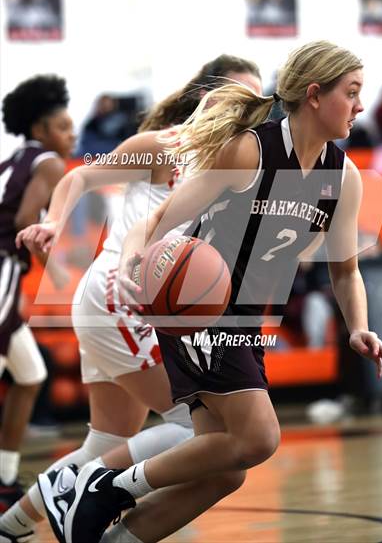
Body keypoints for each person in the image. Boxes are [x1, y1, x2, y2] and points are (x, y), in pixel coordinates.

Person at [24, 41, 382, 543]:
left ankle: (114, 533)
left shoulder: (344, 177)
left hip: (241, 321)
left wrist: (360, 327)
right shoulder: (248, 150)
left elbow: (346, 271)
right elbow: (158, 216)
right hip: (198, 313)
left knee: (225, 468)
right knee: (259, 437)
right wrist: (136, 252)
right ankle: (102, 486)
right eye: (351, 93)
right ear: (314, 95)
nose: (360, 106)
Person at [3, 55, 262, 542]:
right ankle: (82, 490)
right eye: (235, 95)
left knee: (107, 440)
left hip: (127, 305)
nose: (245, 108)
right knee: (201, 431)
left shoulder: (235, 166)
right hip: (121, 297)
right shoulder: (165, 144)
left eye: (254, 99)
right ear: (205, 99)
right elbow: (81, 176)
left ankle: (9, 526)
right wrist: (56, 222)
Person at [0, 75, 74, 512]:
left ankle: (5, 478)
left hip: (7, 270)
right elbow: (27, 222)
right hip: (4, 265)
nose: (72, 135)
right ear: (42, 129)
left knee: (29, 376)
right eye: (64, 127)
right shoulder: (48, 163)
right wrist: (58, 274)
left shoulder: (14, 158)